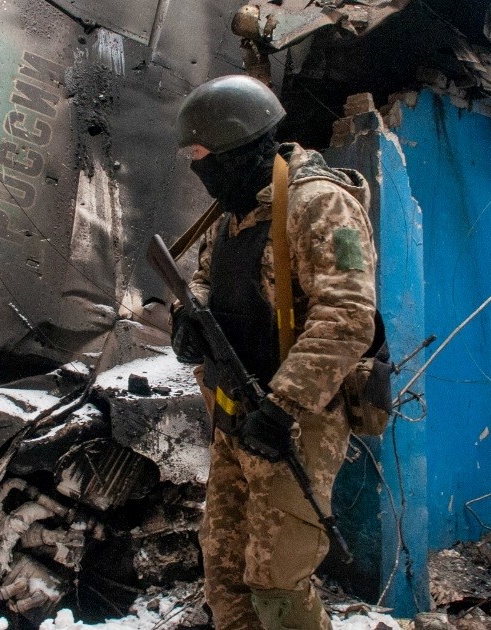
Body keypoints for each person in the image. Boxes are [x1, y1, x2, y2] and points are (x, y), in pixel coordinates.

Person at [170, 75, 378, 630]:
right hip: (235, 416)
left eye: (201, 154)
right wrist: (185, 325)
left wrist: (282, 405)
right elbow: (206, 285)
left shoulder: (318, 203)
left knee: (277, 586)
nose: (197, 166)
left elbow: (348, 316)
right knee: (227, 577)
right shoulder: (234, 209)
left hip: (295, 424)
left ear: (238, 144)